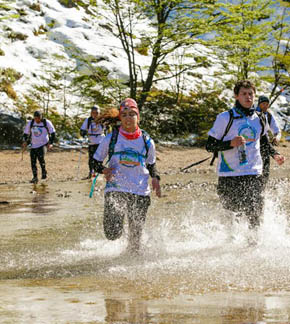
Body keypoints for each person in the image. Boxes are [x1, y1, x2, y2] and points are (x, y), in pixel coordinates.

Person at [206, 80, 285, 231]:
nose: (248, 97)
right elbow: (209, 145)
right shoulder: (225, 118)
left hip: (253, 171)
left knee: (255, 212)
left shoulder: (260, 118)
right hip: (229, 173)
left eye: (251, 94)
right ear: (236, 96)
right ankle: (231, 245)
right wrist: (230, 143)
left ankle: (253, 246)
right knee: (232, 215)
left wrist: (275, 154)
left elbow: (262, 140)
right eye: (244, 94)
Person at [93, 98, 161, 254]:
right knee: (112, 233)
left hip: (140, 191)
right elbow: (94, 162)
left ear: (138, 117)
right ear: (120, 118)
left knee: (136, 239)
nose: (128, 118)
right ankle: (120, 240)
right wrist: (104, 170)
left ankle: (131, 267)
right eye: (124, 115)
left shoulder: (147, 141)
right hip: (116, 189)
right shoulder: (111, 138)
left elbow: (151, 164)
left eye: (132, 114)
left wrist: (156, 179)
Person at [22, 111, 56, 184]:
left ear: (41, 117)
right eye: (35, 118)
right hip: (33, 144)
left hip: (43, 144)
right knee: (33, 161)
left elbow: (53, 133)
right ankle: (35, 177)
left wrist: (51, 143)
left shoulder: (46, 122)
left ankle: (44, 172)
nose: (37, 120)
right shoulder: (31, 123)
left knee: (41, 158)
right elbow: (25, 133)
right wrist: (25, 141)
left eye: (38, 118)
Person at [256, 95, 282, 187]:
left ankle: (262, 189)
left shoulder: (269, 115)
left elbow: (277, 131)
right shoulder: (252, 114)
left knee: (265, 171)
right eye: (263, 104)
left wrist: (277, 138)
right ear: (259, 104)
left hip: (265, 145)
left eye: (267, 104)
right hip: (253, 145)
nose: (265, 106)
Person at [80, 105, 105, 179]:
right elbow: (82, 129)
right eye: (93, 112)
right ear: (91, 113)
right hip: (91, 141)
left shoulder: (102, 120)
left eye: (96, 112)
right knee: (91, 158)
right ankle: (91, 172)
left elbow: (108, 127)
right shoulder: (88, 120)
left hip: (101, 141)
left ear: (99, 113)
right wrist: (83, 133)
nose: (95, 114)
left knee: (99, 158)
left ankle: (99, 172)